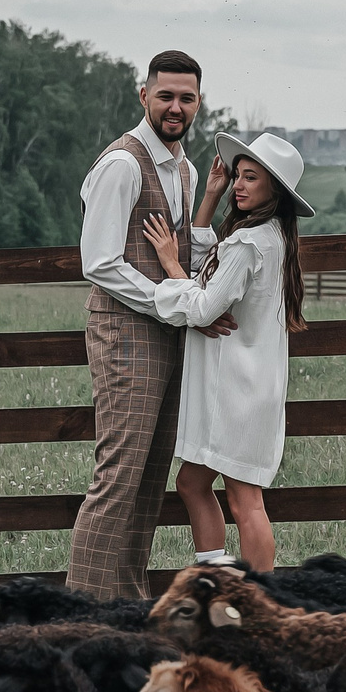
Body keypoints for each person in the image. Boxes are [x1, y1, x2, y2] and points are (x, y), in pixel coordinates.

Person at [63, 50, 232, 602]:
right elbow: (100, 261)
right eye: (166, 96)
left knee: (148, 480)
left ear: (199, 103)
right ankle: (83, 612)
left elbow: (183, 248)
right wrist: (169, 301)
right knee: (117, 479)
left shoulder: (181, 169)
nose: (176, 107)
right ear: (144, 96)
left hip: (167, 338)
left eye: (187, 98)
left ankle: (129, 606)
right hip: (125, 337)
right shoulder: (123, 164)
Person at [139, 130, 313, 573]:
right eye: (238, 174)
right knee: (192, 482)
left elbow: (202, 304)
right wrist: (212, 196)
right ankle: (216, 580)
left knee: (244, 499)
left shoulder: (250, 243)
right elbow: (211, 268)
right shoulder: (270, 237)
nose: (239, 183)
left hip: (236, 390)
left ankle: (260, 603)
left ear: (274, 189)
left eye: (250, 177)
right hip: (243, 385)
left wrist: (169, 264)